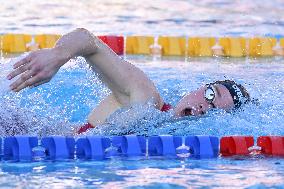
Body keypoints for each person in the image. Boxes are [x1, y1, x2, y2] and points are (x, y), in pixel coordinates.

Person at [6, 28, 251, 134]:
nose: (203, 107)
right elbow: (86, 40)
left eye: (214, 109)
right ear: (198, 88)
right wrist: (58, 55)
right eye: (211, 95)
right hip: (18, 129)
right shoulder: (147, 99)